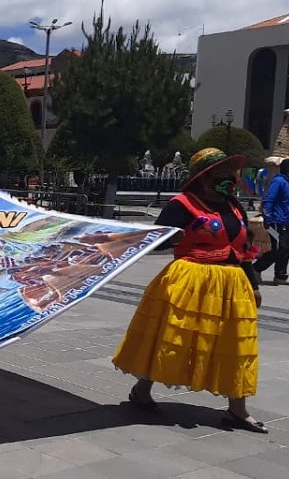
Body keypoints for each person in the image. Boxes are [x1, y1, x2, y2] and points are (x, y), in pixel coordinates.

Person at [112, 148, 268, 433]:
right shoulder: (182, 204)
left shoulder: (233, 205)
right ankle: (142, 390)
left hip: (232, 285)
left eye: (230, 172)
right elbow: (155, 241)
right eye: (223, 172)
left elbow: (242, 250)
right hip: (189, 282)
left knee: (235, 343)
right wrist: (172, 238)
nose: (230, 178)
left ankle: (238, 410)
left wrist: (253, 284)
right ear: (205, 176)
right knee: (173, 340)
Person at [254, 158, 289, 286]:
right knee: (279, 249)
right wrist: (267, 218)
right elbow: (269, 200)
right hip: (276, 221)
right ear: (286, 170)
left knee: (286, 249)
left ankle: (281, 276)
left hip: (286, 222)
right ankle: (256, 269)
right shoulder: (278, 181)